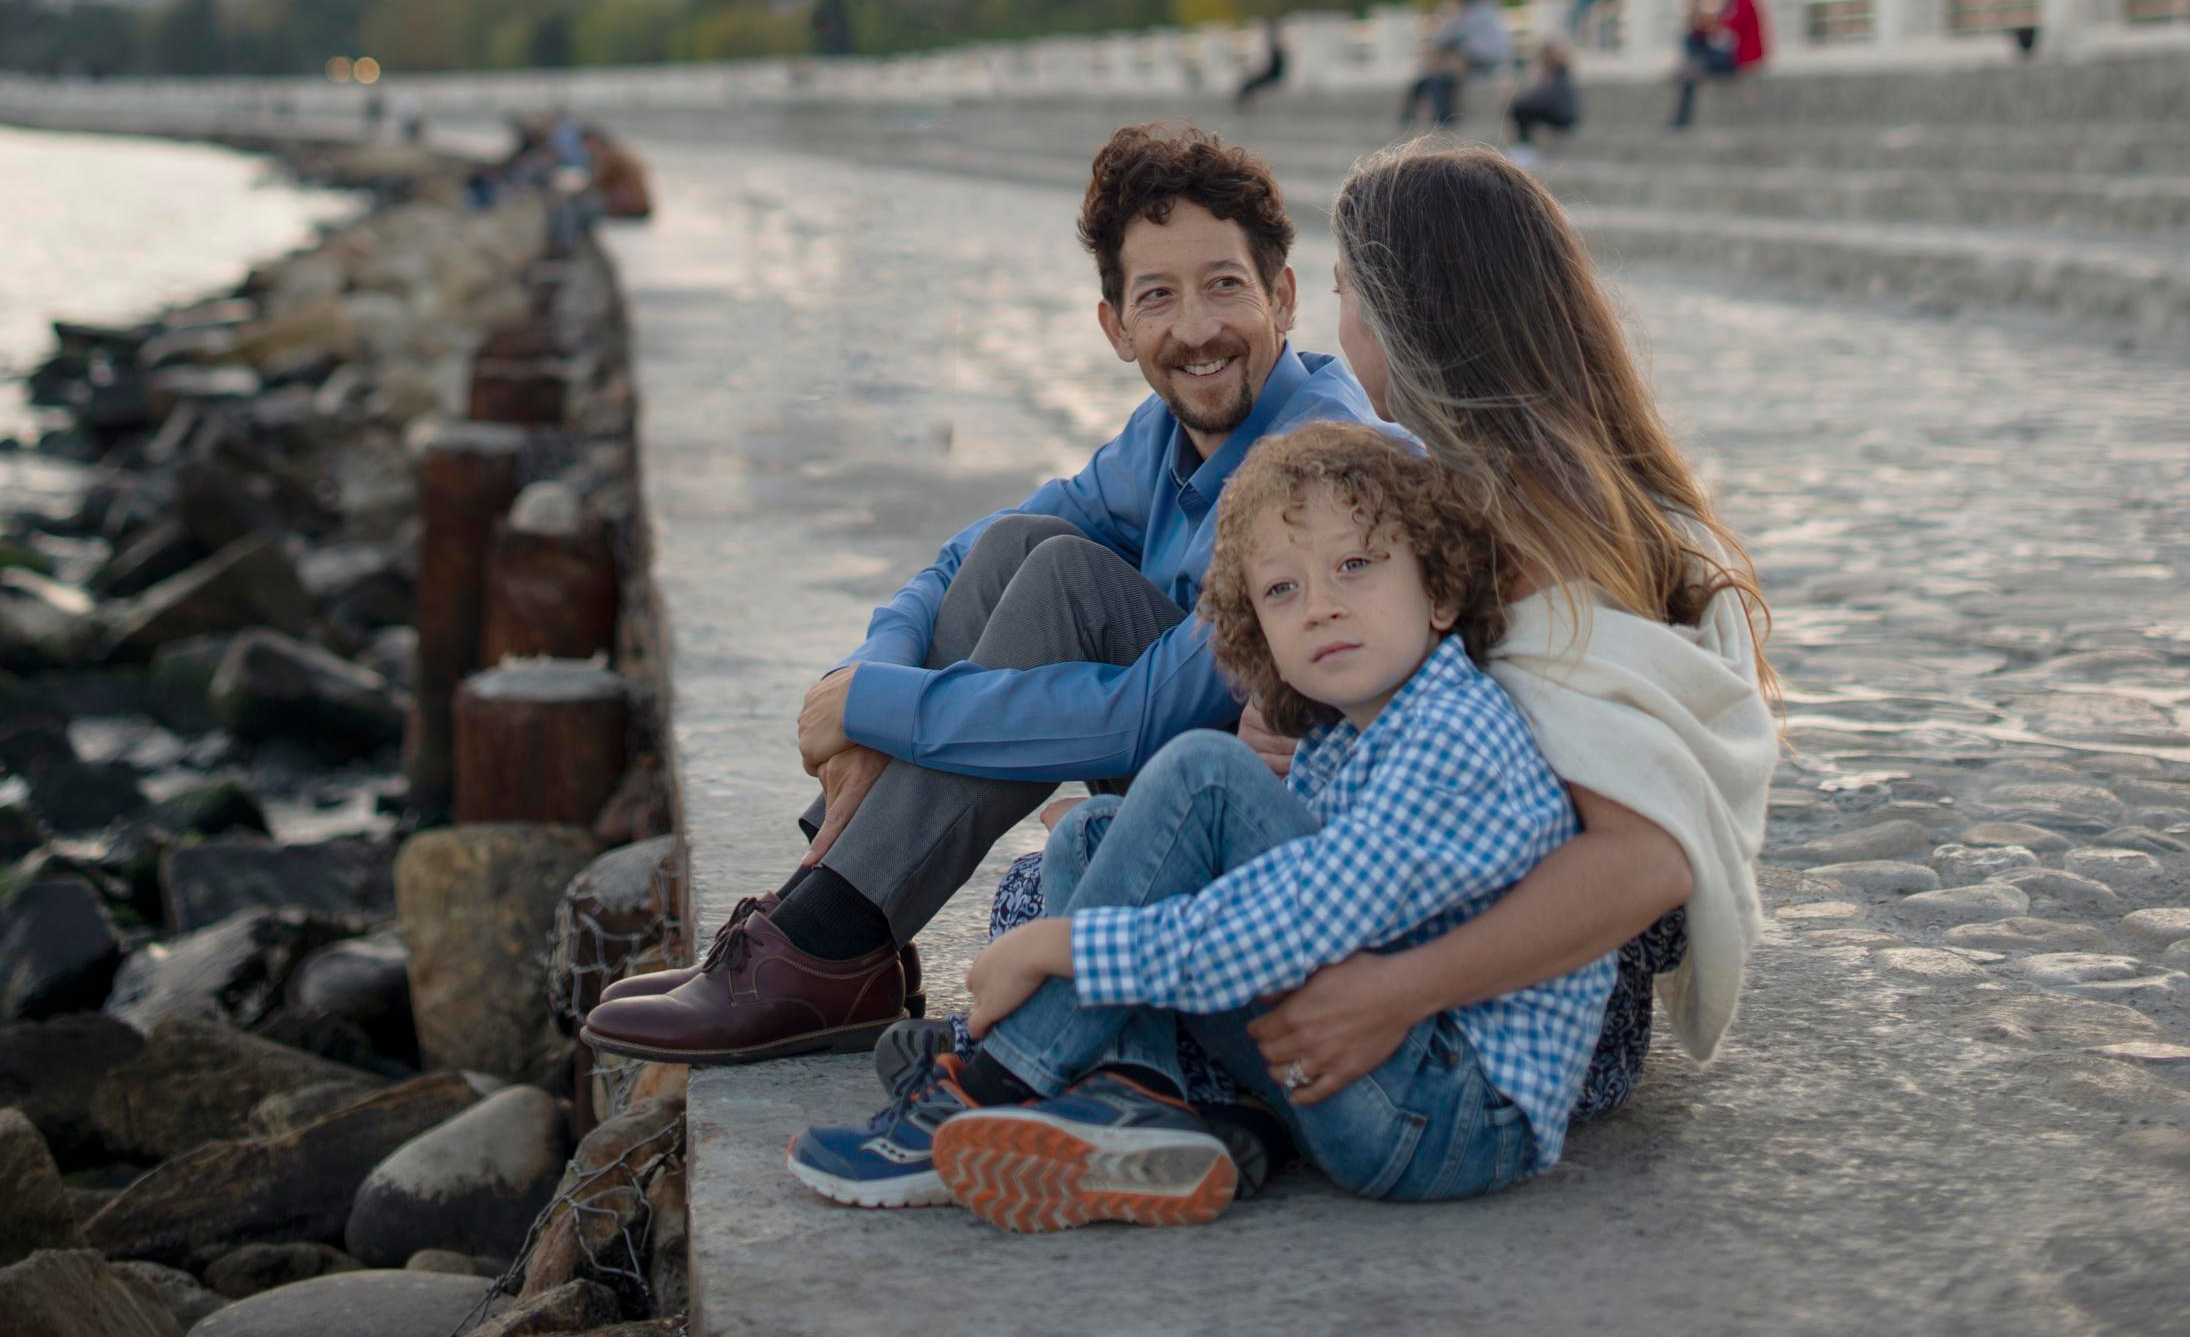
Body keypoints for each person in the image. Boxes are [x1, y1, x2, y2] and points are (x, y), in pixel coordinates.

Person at [582, 122, 1410, 1069]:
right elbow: (963, 556)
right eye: (1157, 296)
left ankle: (833, 935)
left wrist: (883, 706)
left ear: (1282, 297)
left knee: (1062, 579)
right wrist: (870, 676)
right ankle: (833, 911)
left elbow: (1148, 714)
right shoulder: (1164, 436)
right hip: (1186, 796)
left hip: (1280, 845)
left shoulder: (1314, 466)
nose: (1195, 329)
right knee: (1022, 545)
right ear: (1116, 327)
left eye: (1224, 285)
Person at [784, 422, 1616, 1227]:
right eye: (1282, 590)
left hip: (1447, 1112)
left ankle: (992, 1086)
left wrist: (1060, 948)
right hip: (1361, 1058)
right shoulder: (1339, 737)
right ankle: (1133, 1093)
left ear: (1439, 592)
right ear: (1258, 633)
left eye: (1355, 566)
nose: (1321, 607)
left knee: (1200, 774)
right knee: (1094, 831)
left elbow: (1296, 920)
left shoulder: (1452, 732)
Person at [1243, 144, 1776, 1120]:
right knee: (1114, 852)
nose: (1337, 327)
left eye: (1345, 294)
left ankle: (1145, 1094)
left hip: (1510, 1039)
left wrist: (1391, 994)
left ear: (1406, 321)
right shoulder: (1618, 508)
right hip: (1542, 1003)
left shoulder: (1535, 548)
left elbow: (1649, 856)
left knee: (1083, 887)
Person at [1668, 0, 1766, 129]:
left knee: (1692, 72)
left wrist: (1712, 21)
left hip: (1740, 57)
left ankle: (1681, 117)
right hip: (1727, 53)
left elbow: (1733, 24)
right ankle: (1692, 66)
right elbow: (1713, 29)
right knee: (1690, 40)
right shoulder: (1730, 0)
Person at [1506, 38, 1581, 165]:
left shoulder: (1559, 75)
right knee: (1521, 107)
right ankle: (1524, 146)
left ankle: (1525, 148)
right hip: (1554, 110)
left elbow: (1549, 98)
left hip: (1562, 114)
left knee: (1521, 108)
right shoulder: (1549, 73)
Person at [1234, 23, 1286, 105]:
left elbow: (1273, 71)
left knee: (1250, 84)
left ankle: (1242, 100)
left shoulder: (1277, 55)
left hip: (1273, 76)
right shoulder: (1277, 54)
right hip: (1271, 75)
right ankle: (1243, 100)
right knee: (1250, 83)